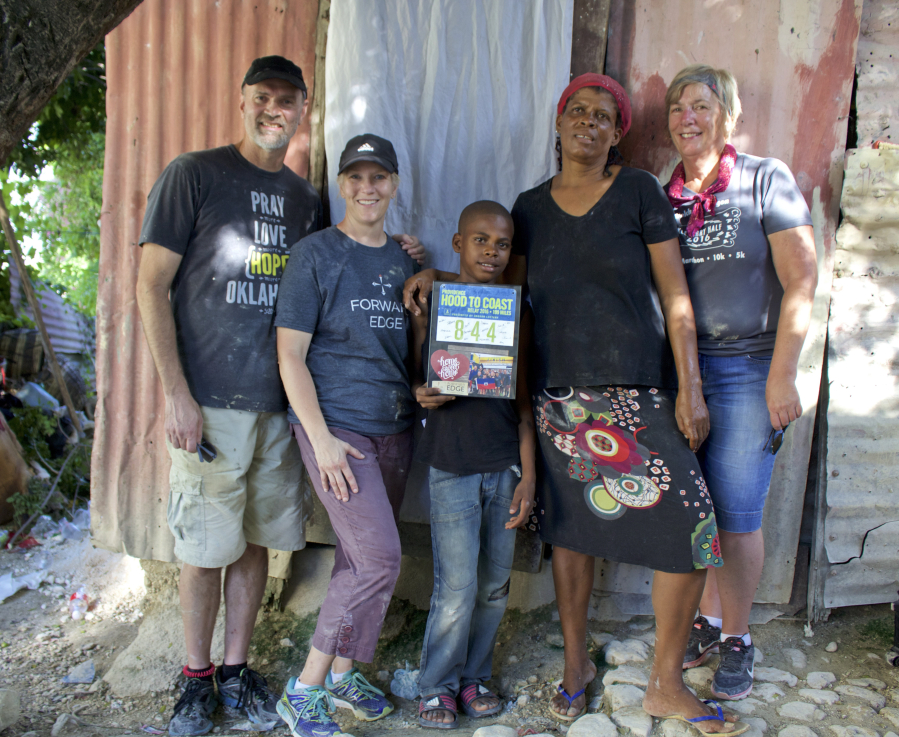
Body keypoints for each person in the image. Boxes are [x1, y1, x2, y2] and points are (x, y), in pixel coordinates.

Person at [405, 73, 746, 735]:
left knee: (691, 525)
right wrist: (439, 277)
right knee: (572, 536)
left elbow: (676, 298)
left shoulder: (639, 192)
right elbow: (499, 291)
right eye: (577, 112)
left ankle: (664, 681)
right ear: (558, 123)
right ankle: (573, 668)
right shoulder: (527, 207)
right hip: (558, 400)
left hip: (640, 394)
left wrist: (691, 390)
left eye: (603, 116)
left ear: (617, 133)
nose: (589, 123)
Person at [137, 58, 424, 736]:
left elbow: (356, 262)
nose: (274, 110)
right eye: (262, 97)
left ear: (303, 110)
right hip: (212, 396)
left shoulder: (305, 199)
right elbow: (150, 284)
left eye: (287, 101)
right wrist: (174, 392)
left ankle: (235, 672)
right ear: (243, 101)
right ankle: (197, 676)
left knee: (255, 543)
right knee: (204, 544)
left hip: (282, 406)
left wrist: (417, 258)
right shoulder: (194, 173)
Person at [663, 65, 818, 700]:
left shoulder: (763, 179)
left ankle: (737, 636)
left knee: (735, 515)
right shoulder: (659, 194)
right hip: (678, 373)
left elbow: (801, 277)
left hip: (748, 371)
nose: (686, 118)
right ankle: (702, 620)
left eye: (701, 105)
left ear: (729, 116)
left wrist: (782, 374)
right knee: (689, 512)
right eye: (676, 108)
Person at [274, 134, 418, 737]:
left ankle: (343, 675)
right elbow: (289, 357)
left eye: (378, 177)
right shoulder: (315, 255)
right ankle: (304, 690)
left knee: (358, 560)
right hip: (338, 432)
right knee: (383, 558)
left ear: (393, 184)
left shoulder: (404, 260)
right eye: (356, 177)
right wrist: (322, 438)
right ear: (342, 184)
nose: (368, 188)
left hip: (396, 429)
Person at [411, 201, 536, 729]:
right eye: (480, 240)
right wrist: (421, 394)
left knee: (493, 585)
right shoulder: (432, 305)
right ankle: (435, 685)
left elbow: (525, 402)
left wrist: (528, 476)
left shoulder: (517, 311)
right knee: (457, 585)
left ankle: (474, 678)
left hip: (503, 465)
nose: (491, 251)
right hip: (452, 466)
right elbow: (415, 378)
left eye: (502, 243)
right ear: (458, 244)